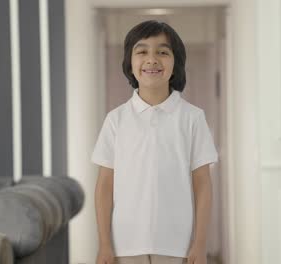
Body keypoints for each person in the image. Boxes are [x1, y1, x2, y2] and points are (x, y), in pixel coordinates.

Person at [91, 20, 218, 264]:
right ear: (130, 61)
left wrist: (200, 244)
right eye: (142, 51)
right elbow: (105, 186)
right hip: (125, 244)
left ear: (176, 63)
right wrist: (105, 244)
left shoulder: (192, 118)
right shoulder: (115, 120)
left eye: (162, 52)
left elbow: (203, 186)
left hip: (177, 244)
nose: (152, 59)